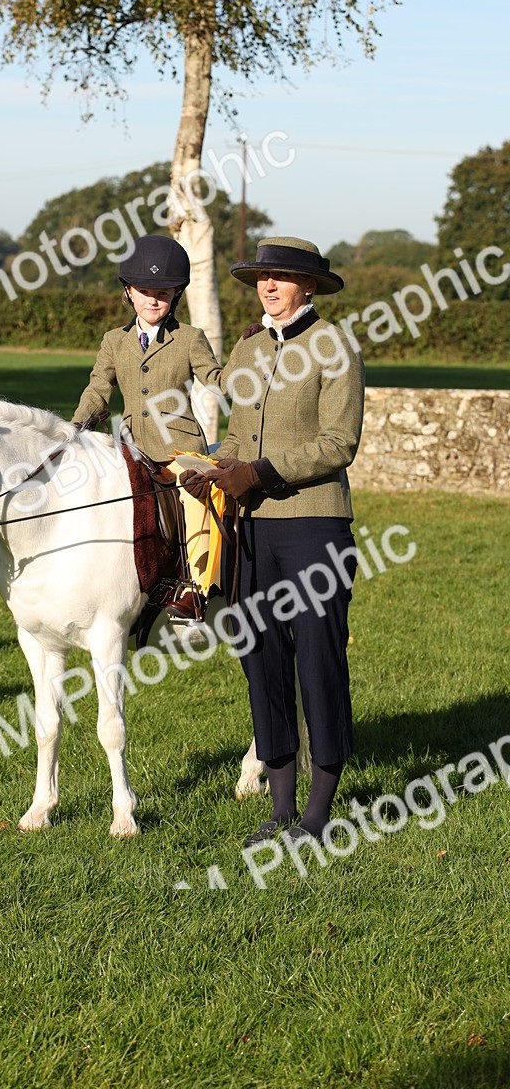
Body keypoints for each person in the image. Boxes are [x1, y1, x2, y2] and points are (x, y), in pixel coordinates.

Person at [181, 236, 365, 844]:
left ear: (308, 286)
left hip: (315, 526)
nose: (268, 285)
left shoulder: (334, 346)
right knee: (261, 660)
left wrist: (258, 474)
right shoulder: (249, 348)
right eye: (263, 277)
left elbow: (339, 443)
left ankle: (318, 813)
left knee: (317, 662)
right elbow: (238, 436)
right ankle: (281, 808)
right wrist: (211, 467)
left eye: (281, 277)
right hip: (252, 530)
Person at [72, 234, 225, 617]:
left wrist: (247, 362)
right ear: (128, 292)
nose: (153, 301)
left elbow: (216, 379)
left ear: (176, 295)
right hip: (131, 449)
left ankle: (196, 589)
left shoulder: (190, 338)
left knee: (197, 500)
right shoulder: (114, 341)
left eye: (163, 293)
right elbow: (98, 389)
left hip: (180, 449)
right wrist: (74, 428)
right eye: (144, 292)